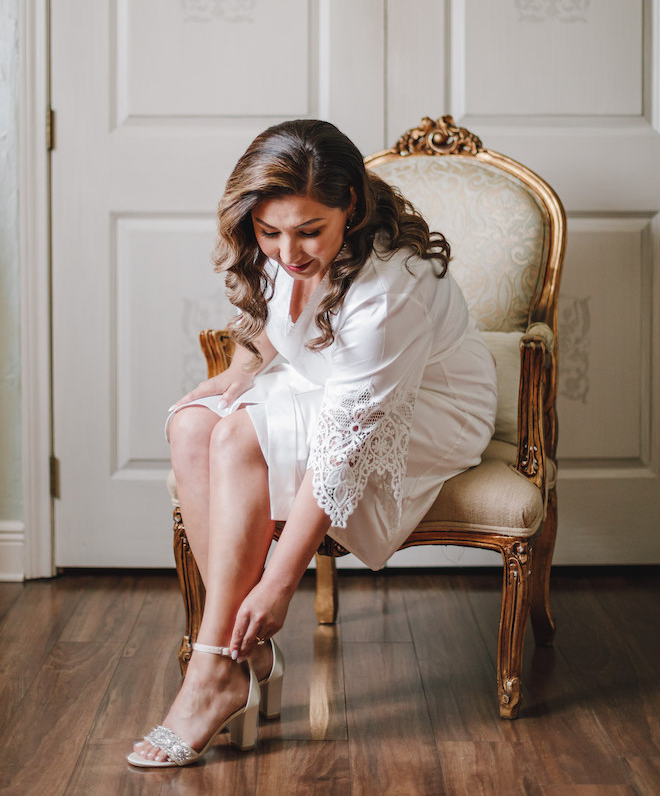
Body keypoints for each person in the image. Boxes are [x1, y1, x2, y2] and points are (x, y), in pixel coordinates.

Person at [128, 119, 497, 768]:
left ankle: (215, 671)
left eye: (306, 232)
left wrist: (278, 581)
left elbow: (341, 452)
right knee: (192, 425)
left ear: (349, 204)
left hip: (426, 410)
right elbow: (273, 329)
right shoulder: (284, 242)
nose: (286, 251)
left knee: (241, 437)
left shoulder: (393, 288)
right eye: (269, 232)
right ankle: (245, 653)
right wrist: (224, 382)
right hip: (327, 380)